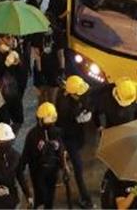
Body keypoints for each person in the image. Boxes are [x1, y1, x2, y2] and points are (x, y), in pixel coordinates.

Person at [55, 75, 95, 208]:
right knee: (78, 167)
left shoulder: (69, 91)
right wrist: (79, 118)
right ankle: (85, 197)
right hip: (68, 137)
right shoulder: (65, 105)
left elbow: (87, 99)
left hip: (76, 136)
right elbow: (66, 122)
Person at [21, 102, 68, 209]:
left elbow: (62, 150)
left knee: (49, 195)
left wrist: (63, 165)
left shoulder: (56, 133)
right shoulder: (33, 135)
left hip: (50, 170)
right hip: (39, 171)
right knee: (42, 195)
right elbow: (26, 154)